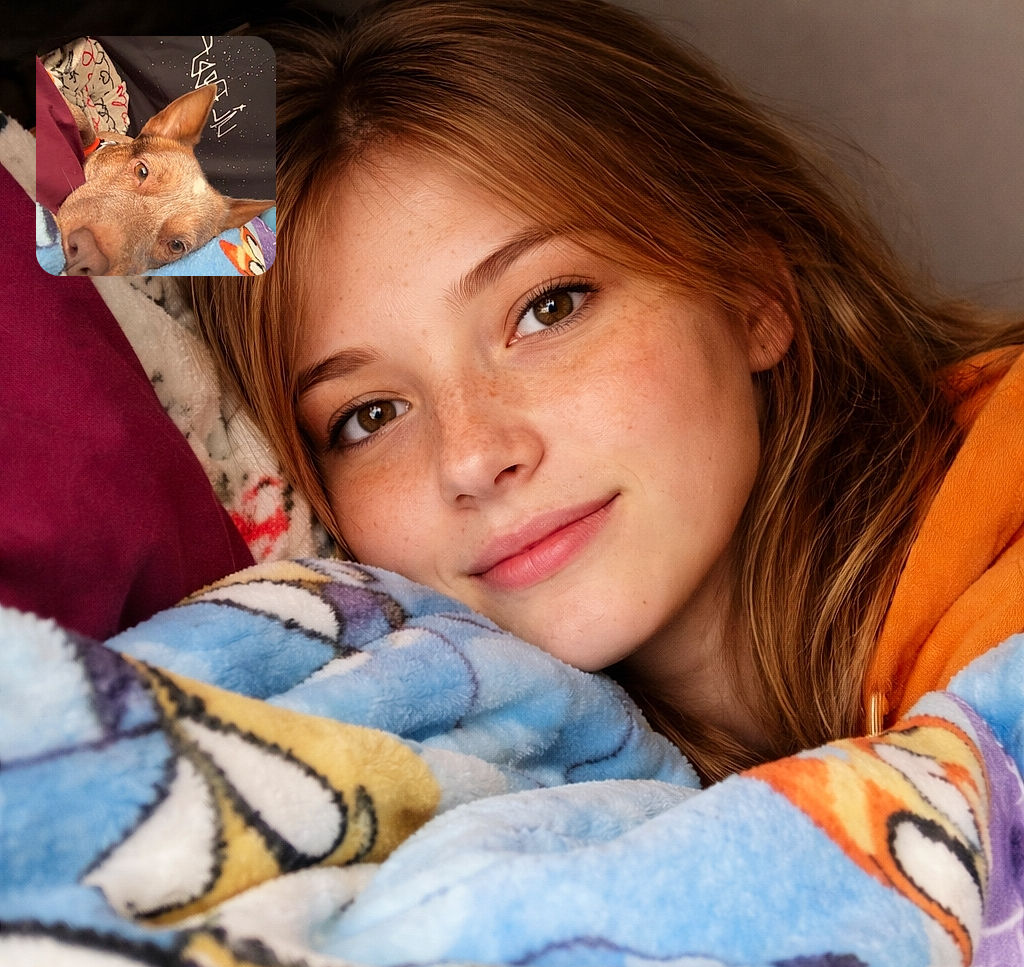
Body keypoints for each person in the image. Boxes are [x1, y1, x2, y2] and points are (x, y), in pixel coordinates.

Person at [188, 0, 1024, 783]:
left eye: (548, 309)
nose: (474, 456)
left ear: (752, 290)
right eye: (370, 416)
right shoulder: (503, 777)